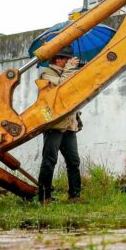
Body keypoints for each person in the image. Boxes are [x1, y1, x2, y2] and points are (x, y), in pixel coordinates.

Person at [36, 47, 83, 203]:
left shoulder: (67, 72)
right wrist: (70, 70)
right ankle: (44, 197)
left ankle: (75, 196)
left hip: (69, 124)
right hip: (54, 125)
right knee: (49, 161)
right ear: (57, 59)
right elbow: (63, 88)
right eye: (66, 60)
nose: (69, 62)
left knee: (73, 161)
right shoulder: (46, 73)